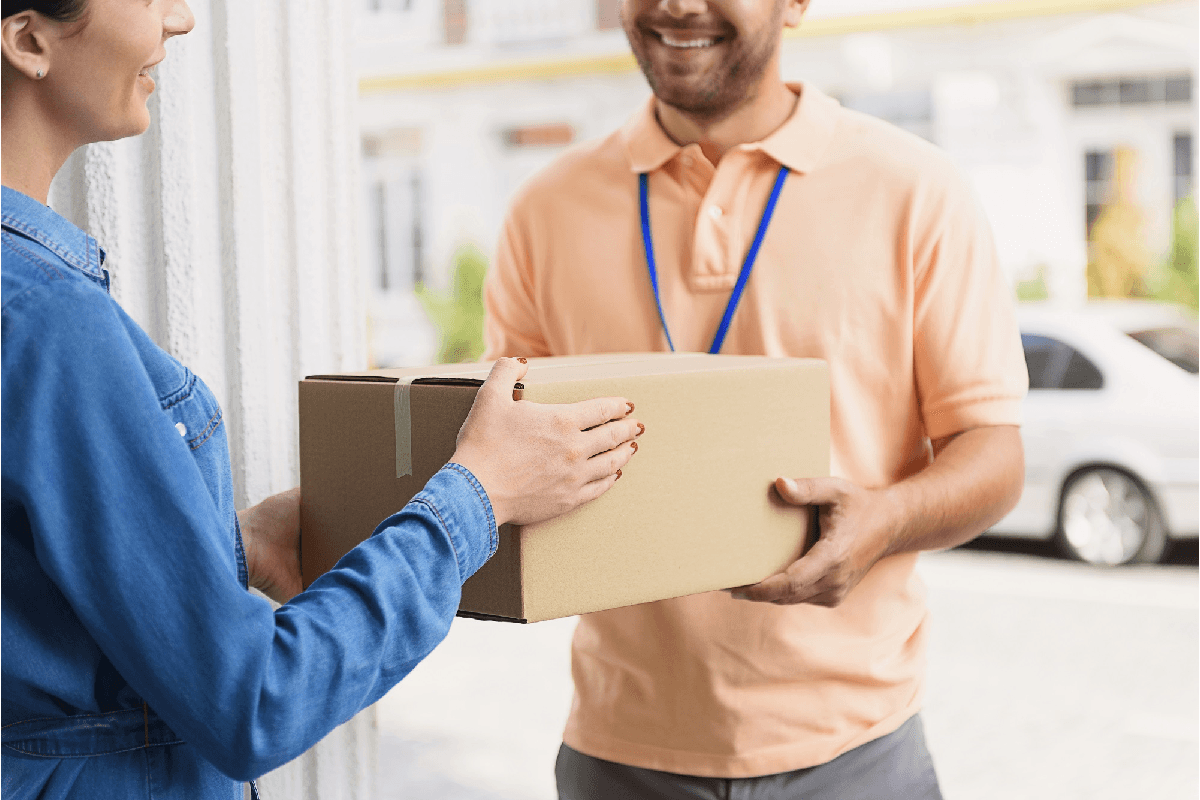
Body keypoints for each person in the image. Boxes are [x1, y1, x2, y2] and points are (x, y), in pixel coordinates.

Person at [0, 1, 644, 798]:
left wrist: (228, 549)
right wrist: (479, 496)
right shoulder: (48, 320)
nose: (180, 19)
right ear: (28, 40)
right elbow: (252, 702)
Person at [483, 0, 1028, 797]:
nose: (675, 6)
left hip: (859, 753)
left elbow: (995, 453)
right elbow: (501, 459)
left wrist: (886, 521)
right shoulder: (544, 210)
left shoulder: (916, 191)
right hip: (620, 752)